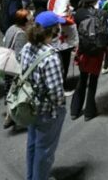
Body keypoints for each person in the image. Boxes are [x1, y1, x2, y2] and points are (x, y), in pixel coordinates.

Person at [21, 11, 66, 180]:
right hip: (47, 111)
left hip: (30, 104)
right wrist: (61, 106)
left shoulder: (27, 47)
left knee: (32, 144)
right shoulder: (51, 56)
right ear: (53, 30)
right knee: (45, 150)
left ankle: (31, 177)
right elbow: (55, 92)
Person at [71, 0, 108, 121]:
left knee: (82, 79)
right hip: (97, 51)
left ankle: (75, 110)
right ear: (95, 0)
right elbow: (107, 33)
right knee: (93, 81)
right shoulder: (102, 13)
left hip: (83, 50)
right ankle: (89, 111)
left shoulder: (78, 13)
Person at [2, 9, 31, 129]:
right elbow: (20, 55)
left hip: (7, 65)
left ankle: (9, 116)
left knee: (9, 91)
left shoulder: (11, 28)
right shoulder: (21, 34)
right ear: (25, 21)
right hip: (14, 69)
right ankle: (12, 116)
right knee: (16, 93)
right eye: (30, 18)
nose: (32, 20)